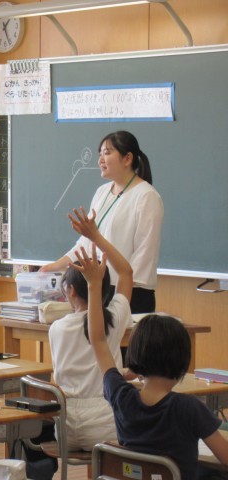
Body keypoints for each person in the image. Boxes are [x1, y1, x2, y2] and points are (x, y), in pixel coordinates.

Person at [77, 242, 228, 478]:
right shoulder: (189, 408)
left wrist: (93, 286)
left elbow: (97, 340)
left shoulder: (121, 397)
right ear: (182, 362)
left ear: (136, 356)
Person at [41, 131, 163, 313]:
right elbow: (85, 244)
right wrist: (54, 266)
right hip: (98, 290)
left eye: (107, 153)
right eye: (100, 154)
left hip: (132, 294)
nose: (100, 160)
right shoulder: (102, 192)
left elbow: (144, 255)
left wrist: (120, 299)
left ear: (127, 158)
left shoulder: (146, 196)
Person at [49, 207, 133, 451]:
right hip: (104, 425)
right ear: (104, 289)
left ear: (71, 291)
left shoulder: (56, 328)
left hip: (65, 429)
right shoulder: (113, 319)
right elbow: (126, 272)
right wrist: (96, 237)